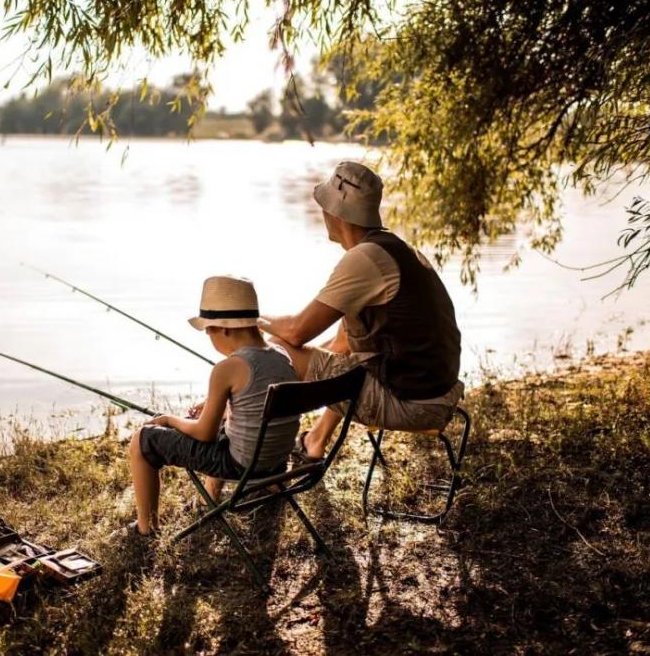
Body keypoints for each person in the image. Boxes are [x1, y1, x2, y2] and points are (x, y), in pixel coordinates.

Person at [258, 161, 463, 461]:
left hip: (413, 404)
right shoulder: (393, 249)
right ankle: (314, 441)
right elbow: (340, 346)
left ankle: (253, 455)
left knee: (275, 351)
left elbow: (296, 331)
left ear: (334, 213)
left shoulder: (365, 259)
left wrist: (247, 317)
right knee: (341, 355)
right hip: (438, 393)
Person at [123, 275, 300, 537]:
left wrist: (170, 420)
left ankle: (145, 529)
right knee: (219, 422)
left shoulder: (227, 368)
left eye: (209, 331)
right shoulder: (282, 356)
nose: (209, 337)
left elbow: (204, 433)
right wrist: (215, 406)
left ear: (224, 329)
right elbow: (255, 404)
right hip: (277, 463)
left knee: (143, 439)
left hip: (241, 465)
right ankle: (210, 497)